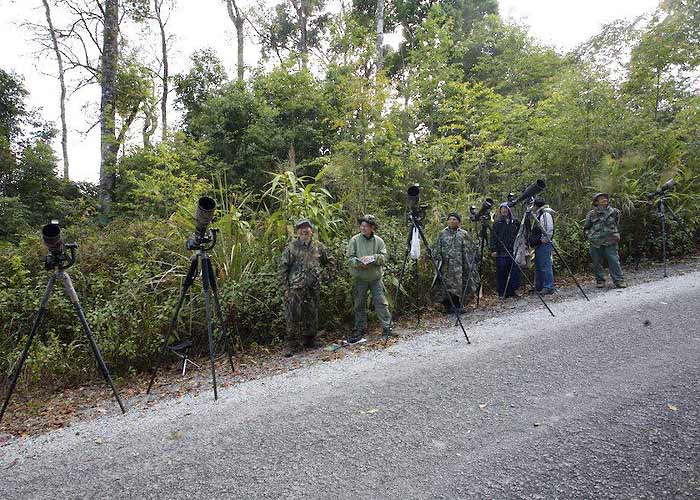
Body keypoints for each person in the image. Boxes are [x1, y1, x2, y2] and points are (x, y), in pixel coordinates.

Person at [279, 218, 336, 357]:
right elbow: (282, 269)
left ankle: (310, 339)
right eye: (301, 228)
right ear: (298, 231)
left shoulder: (318, 246)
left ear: (312, 230)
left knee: (312, 313)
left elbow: (331, 262)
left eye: (307, 228)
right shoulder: (291, 248)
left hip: (313, 286)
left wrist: (325, 276)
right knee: (292, 315)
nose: (305, 230)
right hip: (295, 288)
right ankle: (290, 344)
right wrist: (285, 289)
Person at [346, 214, 394, 343]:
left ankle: (387, 328)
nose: (363, 228)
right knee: (359, 304)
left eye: (366, 226)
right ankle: (360, 330)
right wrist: (359, 262)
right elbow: (349, 259)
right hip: (359, 278)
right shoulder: (354, 240)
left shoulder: (379, 241)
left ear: (372, 227)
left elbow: (384, 257)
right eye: (362, 225)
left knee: (381, 303)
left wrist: (373, 258)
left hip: (375, 278)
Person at [433, 212, 478, 312]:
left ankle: (458, 305)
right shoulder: (442, 233)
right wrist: (437, 258)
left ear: (459, 222)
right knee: (446, 285)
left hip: (460, 265)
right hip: (446, 266)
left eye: (454, 219)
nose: (452, 221)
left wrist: (471, 260)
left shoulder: (463, 234)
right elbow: (436, 248)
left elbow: (471, 248)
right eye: (450, 219)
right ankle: (447, 306)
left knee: (460, 285)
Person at [583, 193, 627, 289]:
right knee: (596, 262)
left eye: (606, 198)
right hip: (595, 241)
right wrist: (589, 236)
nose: (604, 200)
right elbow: (586, 227)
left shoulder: (615, 212)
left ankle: (619, 281)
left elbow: (617, 224)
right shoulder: (592, 214)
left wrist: (616, 233)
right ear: (596, 202)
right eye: (601, 199)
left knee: (614, 261)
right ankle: (600, 281)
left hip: (610, 240)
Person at [490, 203, 521, 298]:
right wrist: (493, 249)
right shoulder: (497, 223)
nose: (504, 211)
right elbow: (493, 237)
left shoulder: (515, 222)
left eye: (506, 209)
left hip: (513, 250)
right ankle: (502, 292)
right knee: (502, 272)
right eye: (502, 209)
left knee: (514, 271)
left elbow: (520, 234)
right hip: (501, 251)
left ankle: (512, 291)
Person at [527, 198, 556, 295]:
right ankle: (539, 285)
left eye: (533, 205)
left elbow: (548, 228)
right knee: (538, 266)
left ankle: (548, 286)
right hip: (539, 244)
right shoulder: (539, 214)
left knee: (545, 265)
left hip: (544, 243)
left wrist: (545, 239)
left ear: (536, 206)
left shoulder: (545, 214)